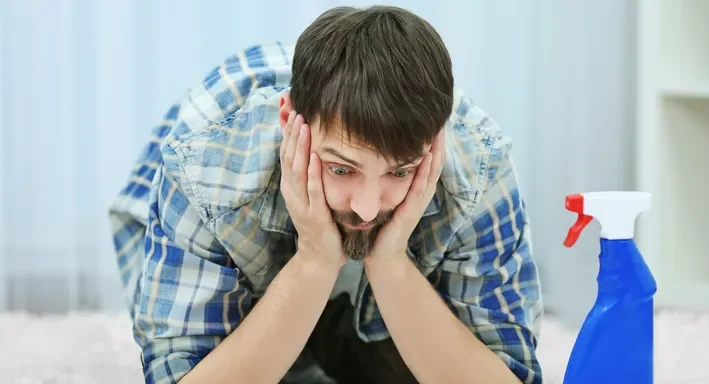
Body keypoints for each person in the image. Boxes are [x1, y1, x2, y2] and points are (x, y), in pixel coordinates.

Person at [109, 5, 543, 384]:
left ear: (435, 141)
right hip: (236, 276)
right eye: (341, 168)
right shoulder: (206, 166)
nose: (368, 206)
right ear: (289, 122)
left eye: (400, 171)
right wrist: (315, 259)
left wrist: (390, 262)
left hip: (372, 314)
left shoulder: (478, 164)